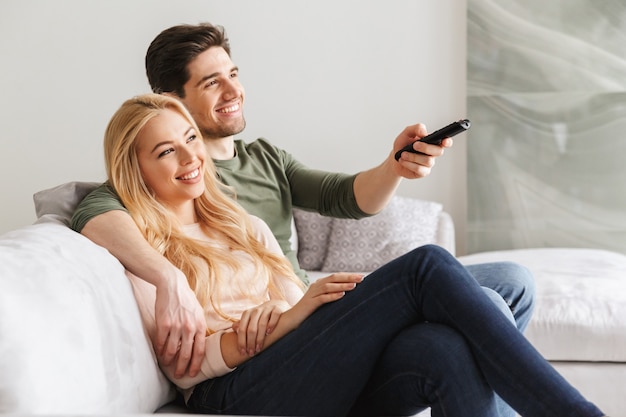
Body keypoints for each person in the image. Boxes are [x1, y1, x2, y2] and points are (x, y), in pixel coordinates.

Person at [70, 22, 534, 414]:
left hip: (304, 303)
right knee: (459, 292)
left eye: (233, 74)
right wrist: (168, 278)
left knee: (511, 283)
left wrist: (394, 166)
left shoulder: (265, 159)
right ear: (170, 99)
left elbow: (345, 197)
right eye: (212, 83)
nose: (234, 91)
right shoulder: (155, 181)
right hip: (274, 339)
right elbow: (92, 211)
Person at [104, 93, 605, 417]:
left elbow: (294, 304)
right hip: (236, 392)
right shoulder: (143, 249)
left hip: (298, 364)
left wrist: (299, 309)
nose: (191, 157)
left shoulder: (242, 222)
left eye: (190, 138)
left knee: (442, 350)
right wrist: (286, 318)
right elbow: (187, 370)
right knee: (426, 266)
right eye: (166, 150)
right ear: (135, 167)